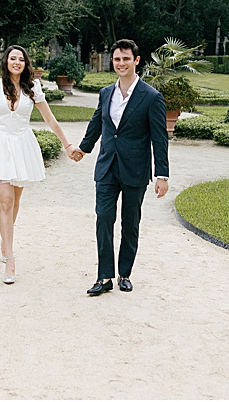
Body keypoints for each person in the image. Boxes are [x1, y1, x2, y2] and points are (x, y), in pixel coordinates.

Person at [71, 38, 169, 296]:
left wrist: (162, 174)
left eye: (126, 58)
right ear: (112, 62)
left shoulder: (151, 97)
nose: (121, 63)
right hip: (106, 167)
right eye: (117, 59)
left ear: (136, 61)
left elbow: (160, 138)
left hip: (135, 169)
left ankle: (124, 272)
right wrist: (83, 148)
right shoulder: (105, 93)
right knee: (104, 218)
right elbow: (97, 124)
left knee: (130, 222)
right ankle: (104, 277)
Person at [0, 44, 74, 284]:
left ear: (26, 64)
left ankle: (5, 240)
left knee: (15, 201)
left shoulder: (32, 89)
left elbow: (50, 118)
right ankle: (10, 257)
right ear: (6, 61)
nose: (16, 62)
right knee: (5, 201)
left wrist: (67, 145)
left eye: (21, 59)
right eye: (12, 58)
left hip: (22, 146)